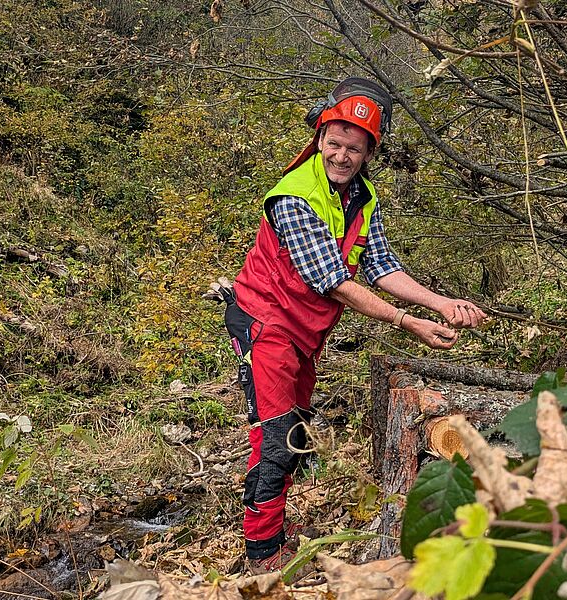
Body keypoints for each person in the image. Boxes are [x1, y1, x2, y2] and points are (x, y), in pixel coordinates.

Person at [205, 77, 487, 576]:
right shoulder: (295, 195)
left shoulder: (362, 197)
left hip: (303, 332)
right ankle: (262, 558)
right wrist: (407, 322)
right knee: (275, 435)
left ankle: (271, 530)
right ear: (318, 138)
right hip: (264, 322)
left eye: (353, 149)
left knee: (293, 428)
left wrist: (440, 302)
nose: (341, 156)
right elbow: (333, 281)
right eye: (333, 144)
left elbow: (379, 264)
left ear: (368, 153)